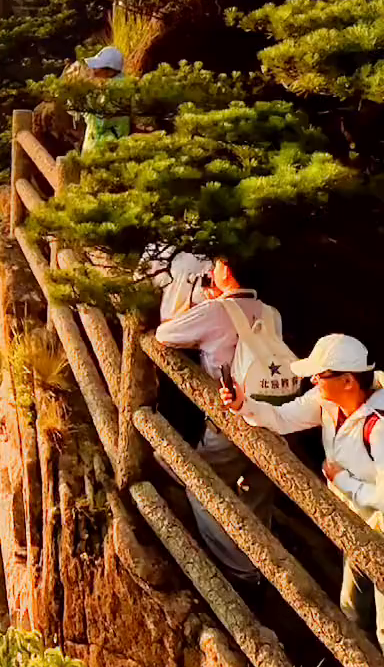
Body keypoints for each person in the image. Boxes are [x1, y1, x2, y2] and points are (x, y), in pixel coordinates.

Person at [222, 333, 384, 644]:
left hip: (378, 528)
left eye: (320, 375)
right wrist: (243, 404)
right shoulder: (327, 403)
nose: (312, 381)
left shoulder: (379, 427)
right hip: (358, 525)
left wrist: (343, 482)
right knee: (352, 608)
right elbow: (282, 418)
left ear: (348, 381)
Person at [155, 257, 288, 581]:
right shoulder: (271, 313)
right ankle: (266, 561)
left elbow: (165, 334)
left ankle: (243, 570)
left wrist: (207, 305)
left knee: (200, 481)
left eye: (215, 266)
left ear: (226, 270)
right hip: (272, 418)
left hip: (231, 423)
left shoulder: (216, 311)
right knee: (256, 493)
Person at [78, 45, 130, 155]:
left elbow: (98, 123)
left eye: (97, 67)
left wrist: (81, 96)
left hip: (103, 150)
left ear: (110, 72)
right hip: (105, 147)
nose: (93, 71)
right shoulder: (118, 86)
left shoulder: (114, 92)